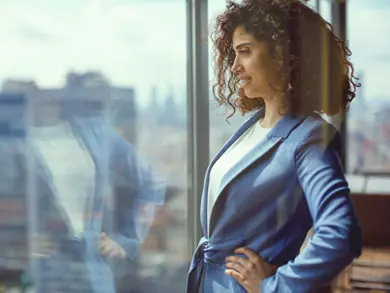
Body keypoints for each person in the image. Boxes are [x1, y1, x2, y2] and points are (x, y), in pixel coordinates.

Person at [186, 0, 362, 292]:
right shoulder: (253, 127)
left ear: (285, 55)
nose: (234, 66)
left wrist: (274, 286)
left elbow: (341, 234)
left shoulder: (309, 137)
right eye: (233, 53)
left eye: (245, 51)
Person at [24, 96, 165, 293]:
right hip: (39, 269)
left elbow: (151, 182)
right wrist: (16, 243)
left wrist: (126, 241)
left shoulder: (94, 132)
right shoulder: (12, 138)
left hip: (93, 264)